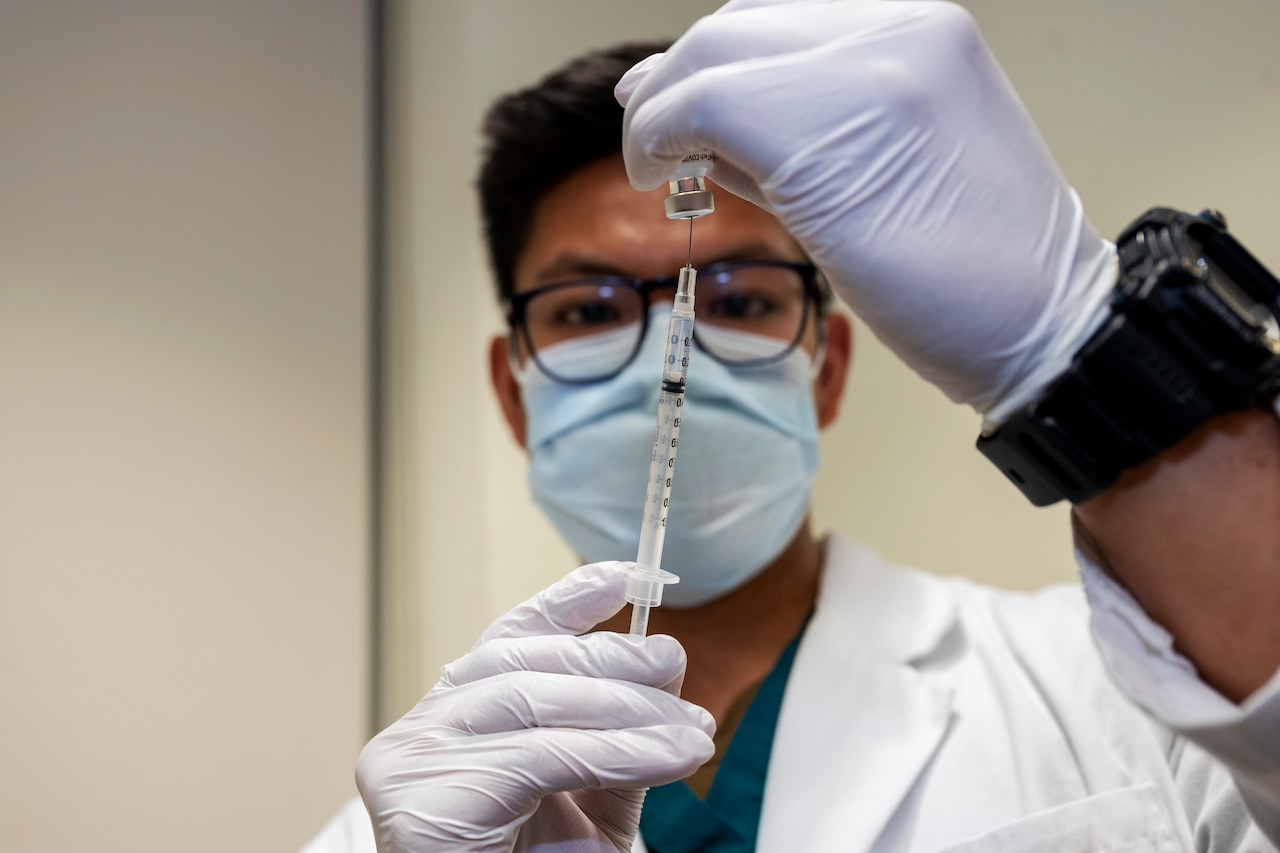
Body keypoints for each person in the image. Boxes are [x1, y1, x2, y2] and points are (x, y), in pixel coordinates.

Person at [307, 2, 1280, 851]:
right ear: (514, 394)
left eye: (734, 298)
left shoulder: (1120, 690)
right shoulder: (418, 820)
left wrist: (1075, 342)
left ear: (827, 369)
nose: (664, 353)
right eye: (588, 310)